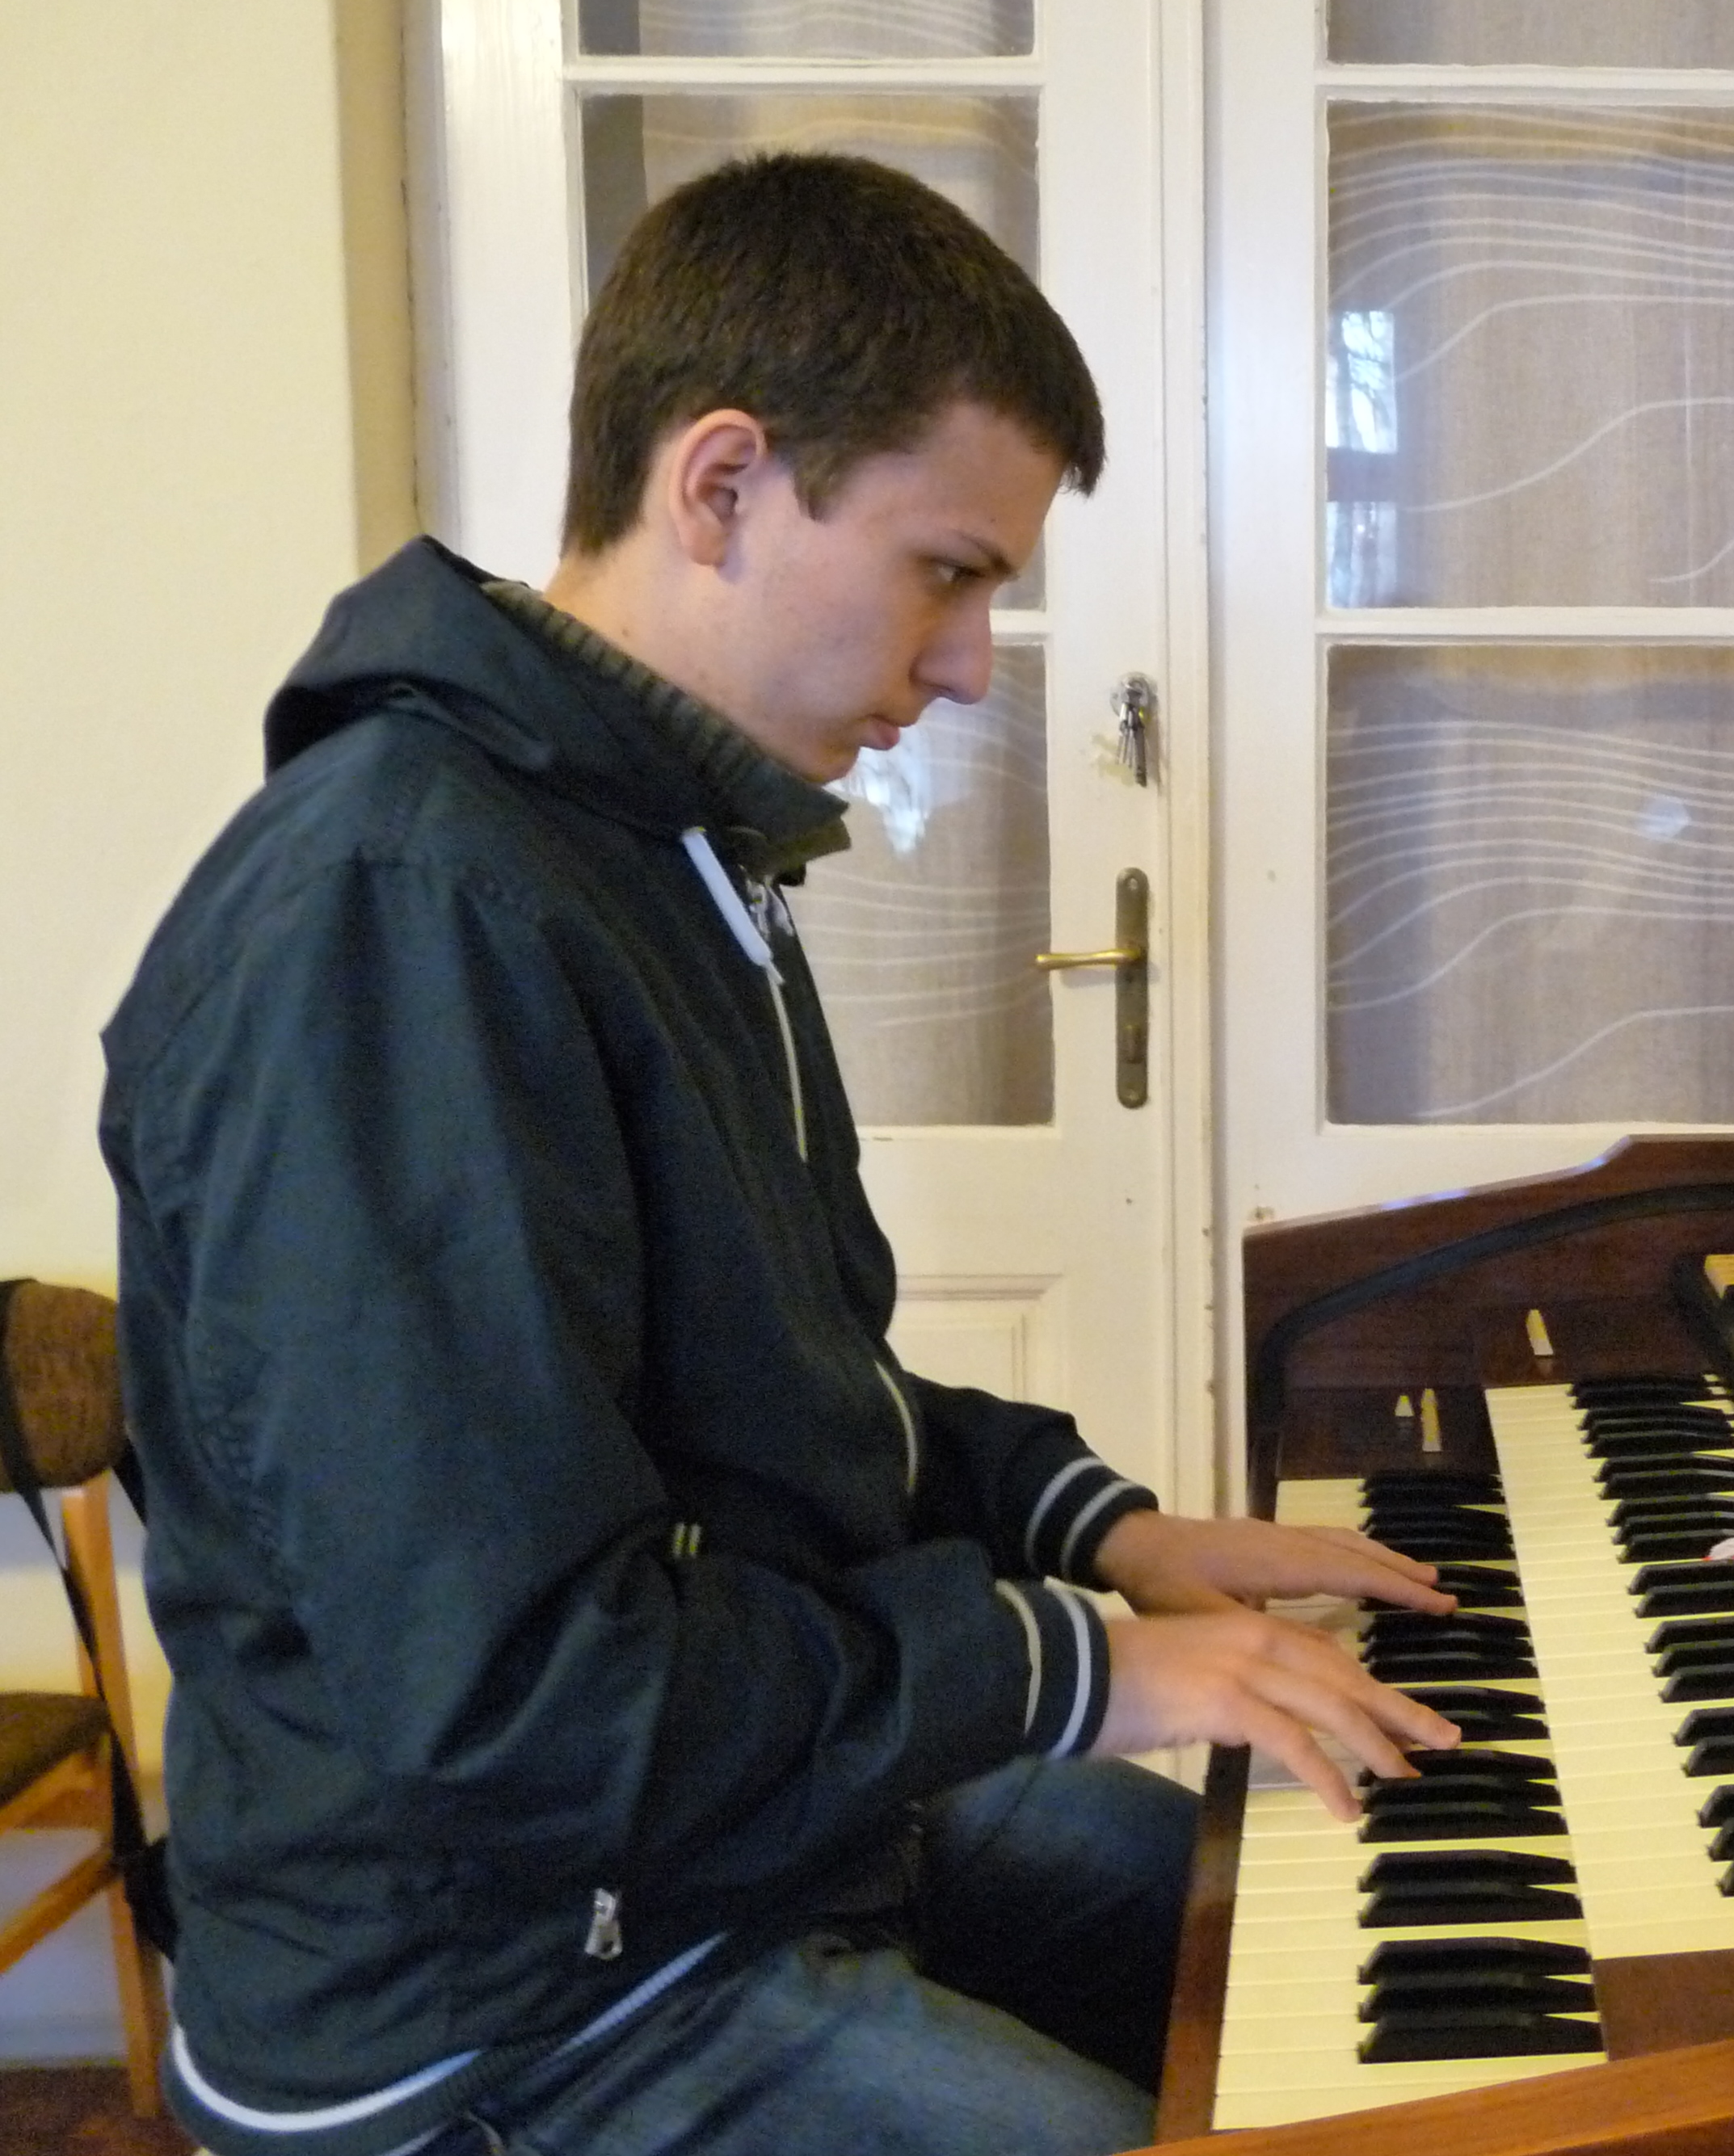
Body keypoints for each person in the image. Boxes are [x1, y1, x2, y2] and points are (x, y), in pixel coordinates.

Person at [99, 150, 1455, 2156]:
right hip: (503, 2002)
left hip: (719, 1840)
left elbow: (775, 1392)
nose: (972, 664)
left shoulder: (658, 842)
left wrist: (1107, 1535)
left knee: (1334, 1932)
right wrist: (1085, 1669)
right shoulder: (400, 915)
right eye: (949, 571)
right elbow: (513, 1698)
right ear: (722, 482)